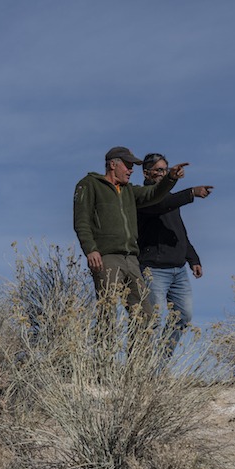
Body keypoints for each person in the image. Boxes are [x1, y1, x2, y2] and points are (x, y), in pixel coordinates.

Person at [73, 147, 188, 326]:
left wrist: (170, 178)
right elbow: (81, 221)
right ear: (113, 165)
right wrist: (91, 249)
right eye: (128, 165)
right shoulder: (89, 184)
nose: (131, 170)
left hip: (132, 260)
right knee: (108, 313)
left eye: (133, 166)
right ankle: (104, 354)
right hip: (107, 259)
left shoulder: (129, 190)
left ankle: (138, 355)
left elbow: (153, 194)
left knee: (145, 318)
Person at [137, 153, 213, 356]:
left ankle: (158, 367)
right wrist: (191, 193)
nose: (163, 173)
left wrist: (192, 258)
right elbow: (159, 205)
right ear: (146, 173)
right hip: (154, 270)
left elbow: (179, 231)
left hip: (178, 270)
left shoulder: (170, 200)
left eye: (166, 169)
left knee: (183, 317)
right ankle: (142, 369)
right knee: (153, 321)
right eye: (159, 170)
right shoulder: (143, 196)